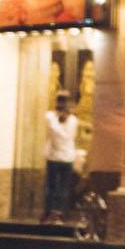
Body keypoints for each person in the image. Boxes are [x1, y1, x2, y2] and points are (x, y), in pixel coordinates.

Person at [42, 92, 79, 221]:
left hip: (66, 157)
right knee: (52, 187)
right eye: (61, 102)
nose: (63, 105)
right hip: (54, 157)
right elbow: (58, 134)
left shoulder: (72, 120)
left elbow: (63, 136)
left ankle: (58, 213)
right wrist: (60, 118)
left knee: (62, 188)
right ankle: (50, 212)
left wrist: (61, 118)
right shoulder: (50, 117)